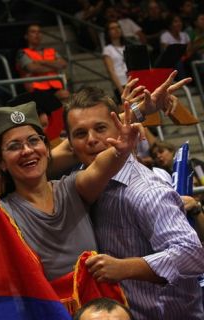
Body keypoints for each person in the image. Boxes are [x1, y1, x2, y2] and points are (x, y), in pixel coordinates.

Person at [64, 85, 204, 319]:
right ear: (70, 142)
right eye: (80, 134)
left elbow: (192, 255)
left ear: (120, 131)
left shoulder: (146, 190)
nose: (91, 140)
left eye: (100, 128)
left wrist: (124, 267)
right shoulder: (79, 182)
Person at [0, 100, 139, 282]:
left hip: (98, 306)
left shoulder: (73, 187)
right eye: (14, 146)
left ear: (47, 149)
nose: (27, 150)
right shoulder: (1, 213)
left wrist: (120, 150)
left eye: (33, 141)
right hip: (44, 309)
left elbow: (99, 165)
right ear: (1, 162)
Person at [102, 21, 129, 101]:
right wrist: (121, 90)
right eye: (112, 28)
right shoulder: (107, 49)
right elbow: (111, 71)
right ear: (108, 32)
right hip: (121, 84)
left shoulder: (126, 47)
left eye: (118, 27)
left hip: (131, 80)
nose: (116, 30)